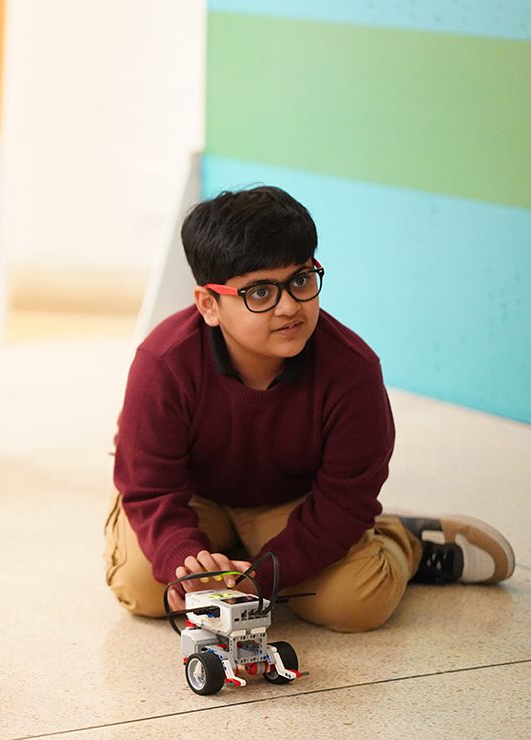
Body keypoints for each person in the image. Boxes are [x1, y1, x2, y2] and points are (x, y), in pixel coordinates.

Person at [107, 186, 516, 633]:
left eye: (300, 280)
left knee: (355, 605)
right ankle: (219, 548)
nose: (289, 307)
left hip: (290, 504)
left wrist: (261, 578)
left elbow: (344, 500)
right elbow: (148, 486)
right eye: (259, 292)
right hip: (195, 497)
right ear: (209, 304)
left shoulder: (352, 371)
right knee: (144, 590)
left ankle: (405, 542)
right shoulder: (164, 363)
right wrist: (182, 556)